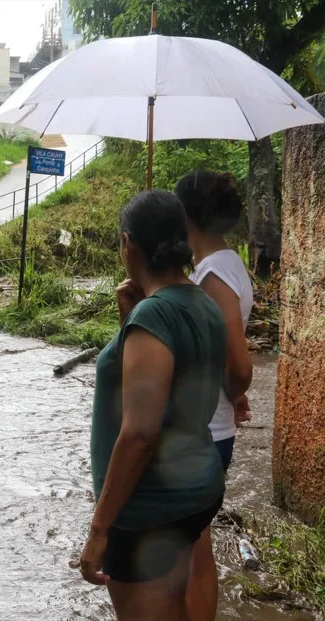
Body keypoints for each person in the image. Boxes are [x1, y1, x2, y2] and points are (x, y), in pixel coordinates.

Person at [80, 190, 226, 621]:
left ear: (128, 243)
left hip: (148, 508)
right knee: (174, 606)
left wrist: (98, 529)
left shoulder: (155, 317)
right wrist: (132, 318)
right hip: (194, 491)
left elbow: (141, 433)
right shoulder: (204, 302)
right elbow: (171, 385)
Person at [175, 171, 254, 621]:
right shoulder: (226, 263)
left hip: (204, 432)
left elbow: (239, 365)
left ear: (185, 216)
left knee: (192, 556)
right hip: (210, 428)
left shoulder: (213, 277)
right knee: (194, 547)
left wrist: (235, 389)